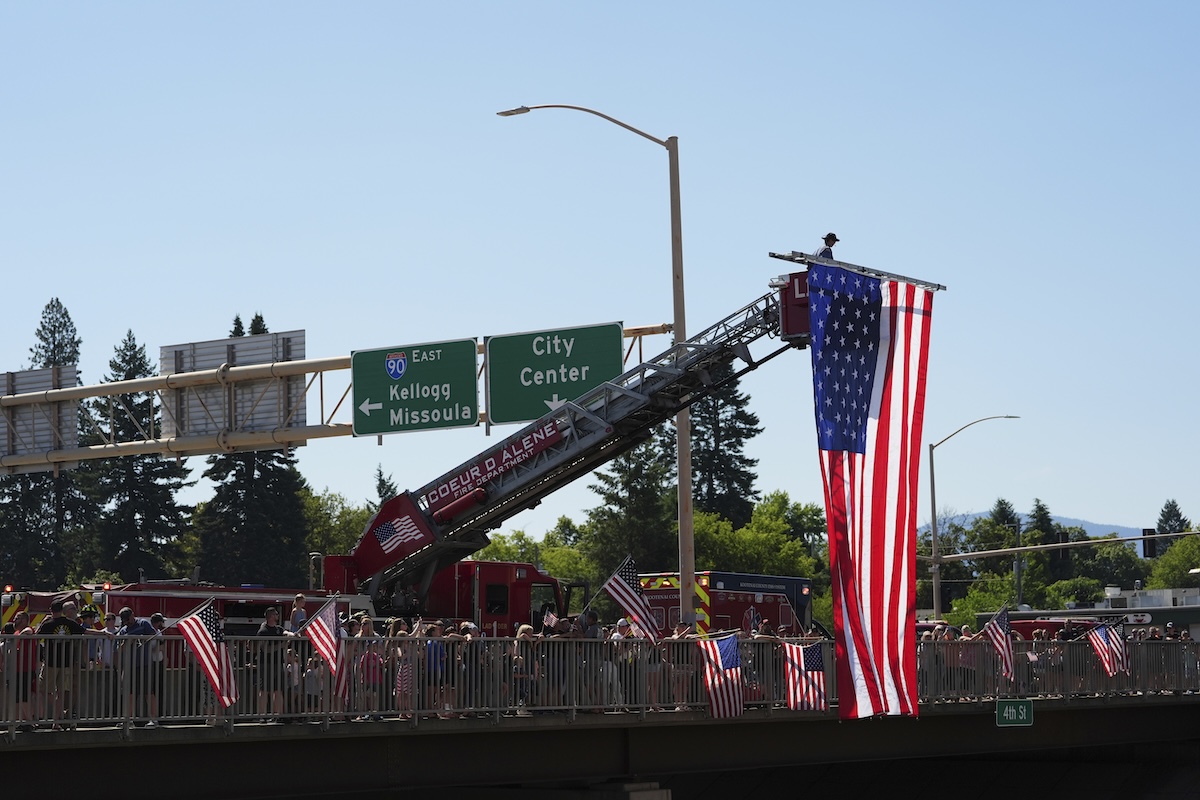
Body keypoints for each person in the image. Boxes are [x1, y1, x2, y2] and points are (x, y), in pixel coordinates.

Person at [117, 607, 161, 727]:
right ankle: (128, 719)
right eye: (125, 620)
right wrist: (126, 642)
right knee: (130, 693)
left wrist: (138, 637)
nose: (128, 622)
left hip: (145, 663)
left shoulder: (143, 623)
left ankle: (154, 719)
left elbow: (153, 635)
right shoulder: (123, 630)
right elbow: (119, 648)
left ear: (132, 615)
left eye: (128, 619)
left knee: (148, 691)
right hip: (130, 665)